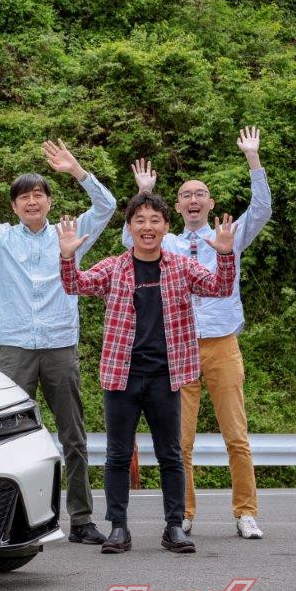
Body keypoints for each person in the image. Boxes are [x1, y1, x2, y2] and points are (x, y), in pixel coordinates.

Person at [0, 139, 117, 545]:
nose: (32, 201)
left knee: (73, 434)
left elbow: (106, 206)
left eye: (39, 194)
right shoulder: (0, 238)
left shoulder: (69, 233)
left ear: (50, 202)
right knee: (7, 436)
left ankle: (82, 519)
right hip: (16, 347)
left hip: (59, 345)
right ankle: (10, 521)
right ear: (14, 206)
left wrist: (77, 171)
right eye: (24, 197)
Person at [58, 194, 236, 554]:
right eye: (139, 220)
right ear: (130, 227)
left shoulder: (181, 266)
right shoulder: (114, 267)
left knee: (170, 454)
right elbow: (76, 284)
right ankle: (118, 528)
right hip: (121, 375)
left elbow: (221, 287)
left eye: (155, 220)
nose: (147, 227)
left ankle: (174, 527)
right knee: (117, 455)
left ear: (166, 227)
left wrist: (225, 254)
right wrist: (66, 257)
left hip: (165, 376)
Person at [124, 127, 271, 540]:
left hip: (223, 343)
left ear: (210, 203)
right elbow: (130, 238)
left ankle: (246, 512)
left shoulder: (228, 234)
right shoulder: (166, 242)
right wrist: (143, 193)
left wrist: (253, 159)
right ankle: (183, 513)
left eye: (200, 194)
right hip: (179, 346)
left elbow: (261, 209)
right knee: (179, 439)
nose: (193, 199)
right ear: (177, 206)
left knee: (236, 435)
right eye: (186, 194)